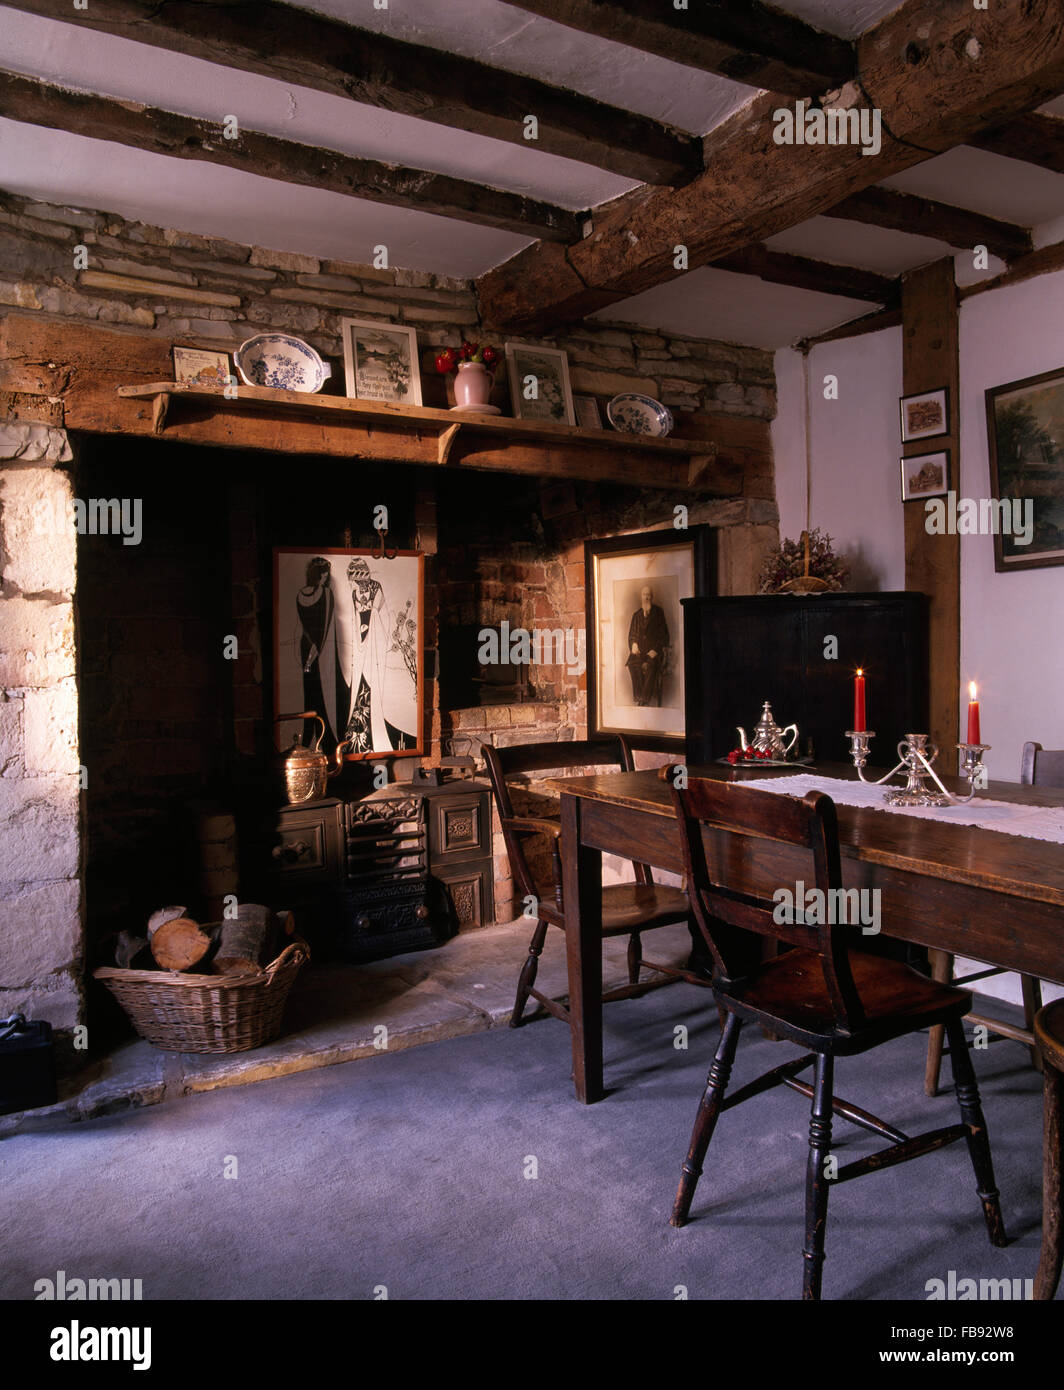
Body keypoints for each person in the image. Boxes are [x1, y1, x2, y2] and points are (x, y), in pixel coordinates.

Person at [625, 585, 669, 706]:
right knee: (632, 664)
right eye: (644, 595)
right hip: (640, 652)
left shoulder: (658, 613)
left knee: (650, 665)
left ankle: (644, 699)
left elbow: (664, 635)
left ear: (652, 597)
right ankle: (638, 696)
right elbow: (632, 635)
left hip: (654, 652)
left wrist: (656, 650)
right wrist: (633, 644)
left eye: (649, 595)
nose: (647, 597)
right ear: (641, 597)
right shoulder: (636, 615)